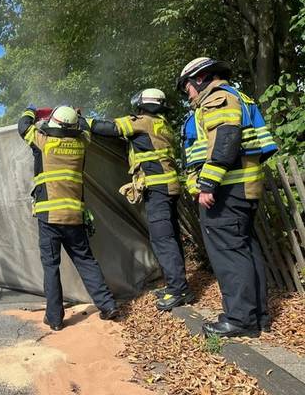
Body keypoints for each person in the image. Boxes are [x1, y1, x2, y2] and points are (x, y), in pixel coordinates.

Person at [177, 57, 278, 338]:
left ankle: (240, 319)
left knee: (229, 255)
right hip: (241, 188)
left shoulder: (217, 98)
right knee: (245, 250)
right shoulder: (238, 97)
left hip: (226, 190)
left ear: (199, 79)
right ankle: (257, 316)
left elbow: (226, 139)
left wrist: (207, 183)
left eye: (187, 87)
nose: (188, 94)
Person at [79, 89, 194, 311]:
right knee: (171, 238)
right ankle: (177, 285)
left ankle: (179, 289)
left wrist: (82, 121)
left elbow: (110, 128)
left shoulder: (143, 122)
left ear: (143, 105)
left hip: (158, 189)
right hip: (168, 188)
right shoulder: (162, 124)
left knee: (163, 240)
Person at [18, 105, 119, 331]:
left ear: (53, 124)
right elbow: (84, 128)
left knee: (51, 267)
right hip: (74, 216)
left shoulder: (43, 141)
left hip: (49, 217)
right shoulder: (82, 143)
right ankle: (108, 305)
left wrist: (33, 110)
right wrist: (78, 115)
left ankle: (54, 319)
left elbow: (23, 126)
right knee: (86, 261)